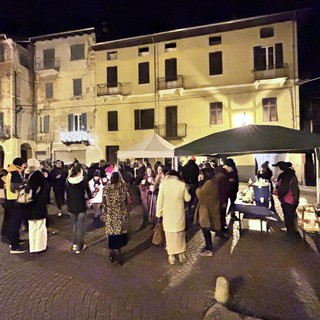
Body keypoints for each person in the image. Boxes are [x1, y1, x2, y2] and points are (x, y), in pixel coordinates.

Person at [156, 170, 191, 265]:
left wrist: (159, 213)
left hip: (168, 214)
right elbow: (188, 198)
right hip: (179, 214)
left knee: (170, 235)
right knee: (180, 234)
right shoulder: (181, 185)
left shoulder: (163, 185)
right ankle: (181, 254)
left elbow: (160, 201)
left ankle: (171, 256)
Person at [103, 171, 130, 264]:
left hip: (111, 214)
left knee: (112, 233)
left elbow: (104, 201)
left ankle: (112, 252)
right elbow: (128, 200)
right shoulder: (124, 187)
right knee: (120, 232)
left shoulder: (106, 188)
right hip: (121, 213)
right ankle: (118, 253)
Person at [65, 162, 92, 254]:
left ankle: (74, 244)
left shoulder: (68, 181)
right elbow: (88, 193)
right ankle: (79, 247)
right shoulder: (83, 180)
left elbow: (66, 194)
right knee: (80, 227)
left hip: (71, 206)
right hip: (81, 205)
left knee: (74, 226)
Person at [194, 168, 221, 257]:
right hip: (210, 208)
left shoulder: (208, 183)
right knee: (206, 229)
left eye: (201, 174)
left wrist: (199, 186)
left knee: (205, 229)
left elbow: (200, 194)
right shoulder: (213, 182)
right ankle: (208, 247)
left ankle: (209, 249)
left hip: (206, 210)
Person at [25, 158, 49, 254]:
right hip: (38, 204)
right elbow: (44, 189)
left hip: (29, 203)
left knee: (32, 226)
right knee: (40, 226)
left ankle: (32, 246)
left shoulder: (26, 175)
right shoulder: (38, 175)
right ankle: (40, 246)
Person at [273, 161, 300, 241]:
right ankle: (292, 232)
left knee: (288, 217)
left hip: (288, 200)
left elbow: (283, 189)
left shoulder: (286, 175)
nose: (277, 169)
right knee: (290, 216)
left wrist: (277, 192)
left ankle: (291, 237)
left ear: (281, 167)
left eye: (278, 167)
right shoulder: (290, 174)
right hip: (292, 199)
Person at [6, 157, 28, 254]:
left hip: (11, 200)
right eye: (24, 164)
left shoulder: (12, 171)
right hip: (15, 200)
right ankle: (14, 246)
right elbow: (13, 187)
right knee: (15, 222)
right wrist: (24, 185)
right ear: (20, 164)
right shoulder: (15, 173)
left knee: (14, 221)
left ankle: (15, 239)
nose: (25, 166)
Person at [213, 162, 233, 236]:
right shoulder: (223, 177)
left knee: (219, 214)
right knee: (221, 214)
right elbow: (224, 190)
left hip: (218, 198)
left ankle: (220, 229)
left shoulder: (216, 176)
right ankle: (220, 231)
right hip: (222, 199)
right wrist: (224, 201)